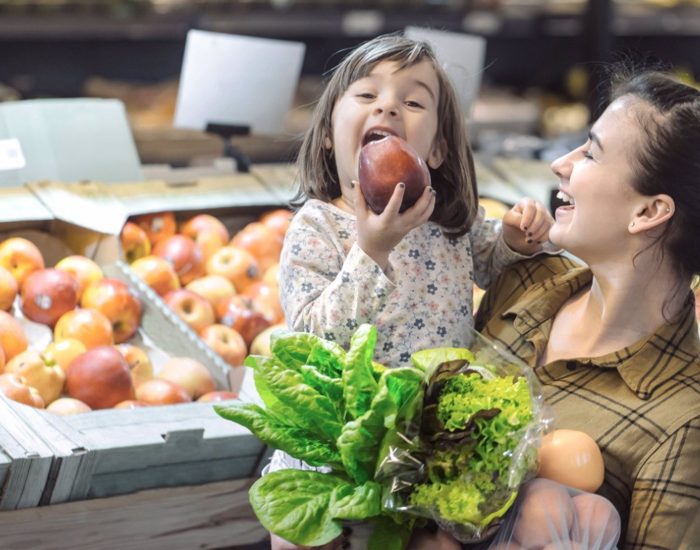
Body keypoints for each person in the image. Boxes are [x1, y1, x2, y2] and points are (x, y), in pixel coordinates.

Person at [269, 32, 554, 549]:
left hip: (427, 450)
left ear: (439, 149)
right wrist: (371, 251)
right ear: (330, 134)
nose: (389, 106)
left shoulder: (450, 226)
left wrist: (516, 237)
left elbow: (491, 262)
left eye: (414, 101)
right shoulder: (318, 228)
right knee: (303, 538)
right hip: (341, 446)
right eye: (366, 95)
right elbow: (313, 335)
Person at [474, 70, 700, 549]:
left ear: (648, 212)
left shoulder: (684, 424)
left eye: (591, 153)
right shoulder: (522, 283)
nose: (561, 163)